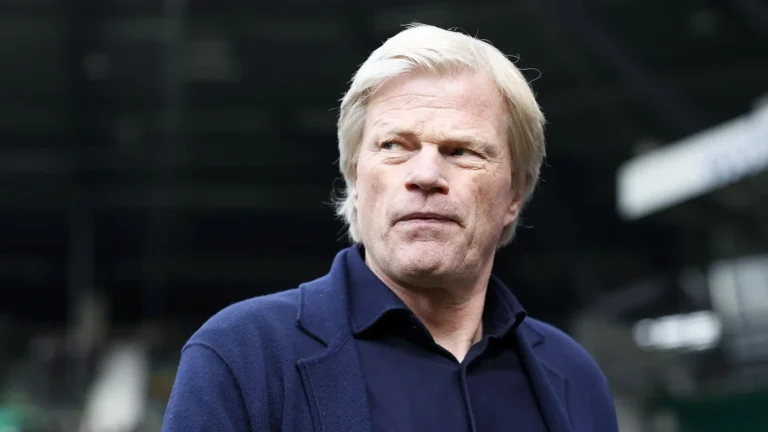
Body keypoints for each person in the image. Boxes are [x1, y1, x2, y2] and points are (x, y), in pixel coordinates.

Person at [162, 23, 618, 432]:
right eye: (395, 146)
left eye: (461, 151)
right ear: (355, 177)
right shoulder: (243, 356)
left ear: (515, 193)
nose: (426, 175)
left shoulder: (574, 378)